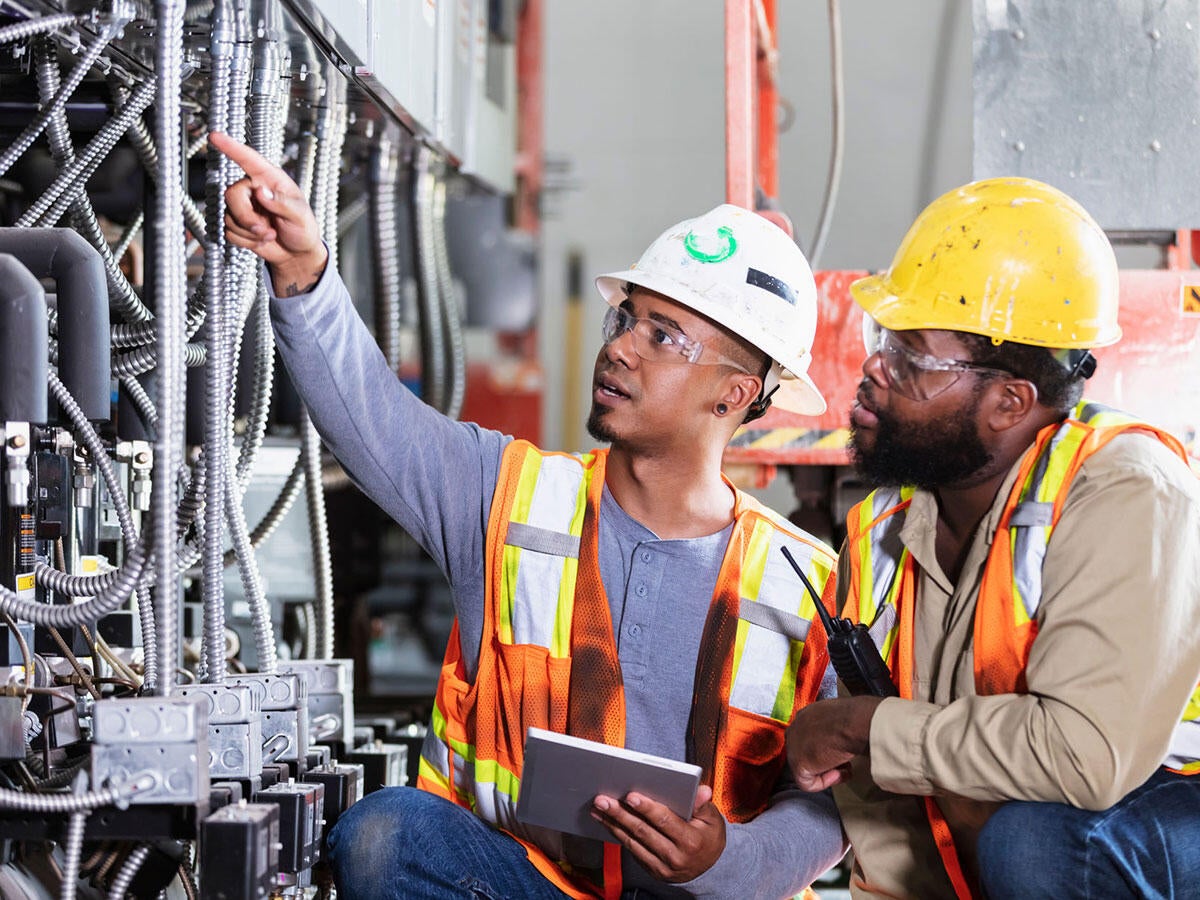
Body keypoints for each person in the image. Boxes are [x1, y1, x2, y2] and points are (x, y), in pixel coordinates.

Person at [210, 130, 849, 899]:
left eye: (663, 335)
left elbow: (828, 809)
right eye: (627, 321)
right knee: (390, 833)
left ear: (736, 394)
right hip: (521, 881)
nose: (620, 350)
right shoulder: (507, 493)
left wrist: (722, 864)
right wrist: (302, 271)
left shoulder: (806, 584)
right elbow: (372, 418)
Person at [784, 176, 1200, 899]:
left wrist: (865, 728)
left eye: (912, 355)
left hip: (1164, 818)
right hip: (1038, 843)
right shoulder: (883, 536)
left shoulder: (1127, 487)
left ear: (1010, 401)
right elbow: (900, 824)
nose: (874, 368)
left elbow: (1085, 757)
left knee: (1038, 837)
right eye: (882, 341)